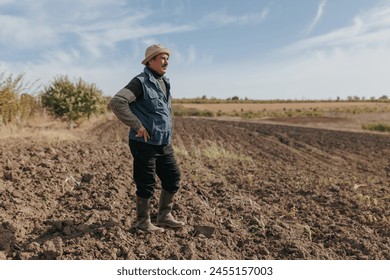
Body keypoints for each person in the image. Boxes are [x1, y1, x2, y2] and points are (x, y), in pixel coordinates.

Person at [109, 44, 184, 233]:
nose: (166, 62)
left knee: (173, 177)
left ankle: (164, 215)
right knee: (146, 182)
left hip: (163, 141)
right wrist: (138, 125)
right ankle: (143, 222)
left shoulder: (164, 82)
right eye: (162, 58)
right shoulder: (140, 82)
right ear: (150, 61)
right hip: (144, 142)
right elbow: (117, 101)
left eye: (168, 58)